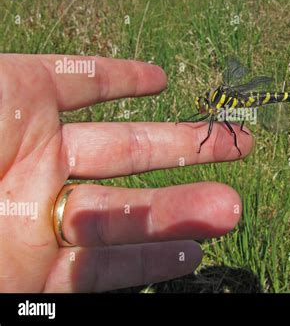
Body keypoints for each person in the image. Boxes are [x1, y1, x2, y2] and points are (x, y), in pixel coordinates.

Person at [0, 54, 253, 292]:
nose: (204, 106)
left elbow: (221, 128)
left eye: (206, 104)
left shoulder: (226, 108)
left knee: (229, 133)